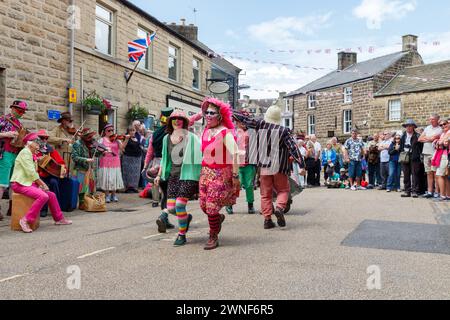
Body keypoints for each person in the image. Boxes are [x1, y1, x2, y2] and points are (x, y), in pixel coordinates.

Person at [233, 104, 304, 231]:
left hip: (264, 167)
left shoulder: (260, 125)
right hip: (280, 167)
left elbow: (243, 119)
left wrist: (227, 110)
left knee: (265, 194)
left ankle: (267, 220)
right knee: (283, 190)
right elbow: (293, 148)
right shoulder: (284, 131)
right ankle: (279, 209)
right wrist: (301, 164)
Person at [154, 111, 202, 246]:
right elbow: (165, 159)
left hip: (188, 176)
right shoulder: (166, 139)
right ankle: (186, 218)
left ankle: (181, 235)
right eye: (174, 119)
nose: (177, 121)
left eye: (180, 119)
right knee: (170, 208)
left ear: (184, 122)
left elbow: (200, 155)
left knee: (180, 205)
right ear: (170, 122)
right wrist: (159, 175)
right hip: (173, 176)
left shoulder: (191, 137)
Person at [199, 98, 240, 250]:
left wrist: (235, 176)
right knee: (203, 205)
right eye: (206, 112)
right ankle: (217, 218)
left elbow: (235, 153)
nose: (208, 116)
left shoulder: (225, 133)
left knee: (211, 206)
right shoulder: (205, 131)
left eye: (211, 113)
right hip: (205, 173)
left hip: (220, 173)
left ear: (220, 115)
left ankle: (213, 234)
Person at [10, 132, 72, 233]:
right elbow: (31, 172)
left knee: (51, 195)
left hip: (28, 183)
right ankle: (25, 220)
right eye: (36, 143)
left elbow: (33, 173)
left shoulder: (30, 153)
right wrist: (42, 184)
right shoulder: (25, 152)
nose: (39, 145)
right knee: (43, 196)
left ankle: (59, 219)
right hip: (20, 184)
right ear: (30, 144)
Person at [226, 111, 258, 215]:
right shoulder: (232, 133)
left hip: (249, 163)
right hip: (236, 164)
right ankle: (229, 204)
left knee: (249, 185)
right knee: (235, 185)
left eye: (245, 121)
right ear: (236, 122)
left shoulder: (252, 132)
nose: (243, 123)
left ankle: (250, 205)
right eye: (240, 121)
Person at [0, 100, 27, 221]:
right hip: (4, 153)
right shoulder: (3, 119)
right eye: (19, 111)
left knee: (13, 183)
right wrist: (7, 134)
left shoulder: (19, 123)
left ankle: (12, 208)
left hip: (15, 154)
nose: (21, 113)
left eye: (23, 112)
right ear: (12, 108)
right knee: (2, 184)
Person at [36, 129, 67, 217]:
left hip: (51, 175)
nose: (44, 140)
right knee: (42, 185)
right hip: (38, 175)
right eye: (42, 138)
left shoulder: (51, 150)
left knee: (54, 183)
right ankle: (43, 209)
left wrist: (63, 169)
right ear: (37, 139)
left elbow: (61, 162)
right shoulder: (34, 150)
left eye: (46, 138)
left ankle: (55, 208)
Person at [71, 128, 102, 210]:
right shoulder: (77, 144)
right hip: (80, 168)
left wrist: (103, 151)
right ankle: (81, 203)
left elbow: (97, 154)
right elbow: (74, 157)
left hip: (89, 168)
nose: (91, 138)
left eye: (91, 136)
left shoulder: (91, 143)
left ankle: (88, 202)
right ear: (84, 137)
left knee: (90, 186)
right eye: (88, 136)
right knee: (81, 187)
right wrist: (86, 159)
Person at [97, 124, 126, 203]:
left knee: (114, 178)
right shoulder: (101, 140)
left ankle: (113, 194)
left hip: (115, 162)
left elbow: (122, 148)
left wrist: (126, 139)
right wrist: (103, 151)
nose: (110, 132)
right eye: (108, 131)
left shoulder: (117, 139)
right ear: (105, 132)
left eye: (112, 130)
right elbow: (98, 149)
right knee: (106, 179)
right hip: (105, 162)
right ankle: (107, 195)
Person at [419, 114, 443, 198]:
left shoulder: (440, 129)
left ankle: (437, 191)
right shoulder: (427, 128)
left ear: (437, 120)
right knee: (428, 173)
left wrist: (427, 138)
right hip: (426, 153)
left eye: (433, 119)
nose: (431, 121)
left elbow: (434, 138)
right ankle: (430, 191)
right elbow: (420, 139)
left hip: (434, 153)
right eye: (430, 119)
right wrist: (429, 138)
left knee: (435, 173)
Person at [400, 120, 423, 198]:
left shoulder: (417, 135)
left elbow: (421, 147)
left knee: (415, 174)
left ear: (413, 127)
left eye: (410, 126)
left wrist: (418, 155)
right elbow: (401, 146)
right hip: (405, 157)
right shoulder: (403, 136)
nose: (408, 127)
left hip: (415, 157)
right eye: (407, 126)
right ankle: (407, 191)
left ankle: (415, 191)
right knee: (406, 175)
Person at [431, 119, 450, 202]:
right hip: (441, 155)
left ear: (448, 123)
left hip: (445, 155)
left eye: (444, 124)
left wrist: (438, 142)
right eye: (441, 125)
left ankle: (442, 196)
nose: (443, 126)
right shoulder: (443, 134)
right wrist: (438, 142)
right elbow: (437, 144)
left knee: (439, 175)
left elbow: (443, 143)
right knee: (445, 176)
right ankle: (447, 195)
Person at [122, 126, 143, 193]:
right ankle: (127, 188)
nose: (132, 132)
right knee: (128, 173)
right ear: (128, 132)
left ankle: (134, 187)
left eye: (133, 130)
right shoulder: (126, 138)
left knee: (136, 174)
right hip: (128, 158)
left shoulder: (137, 138)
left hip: (137, 159)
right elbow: (123, 147)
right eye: (130, 131)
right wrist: (126, 139)